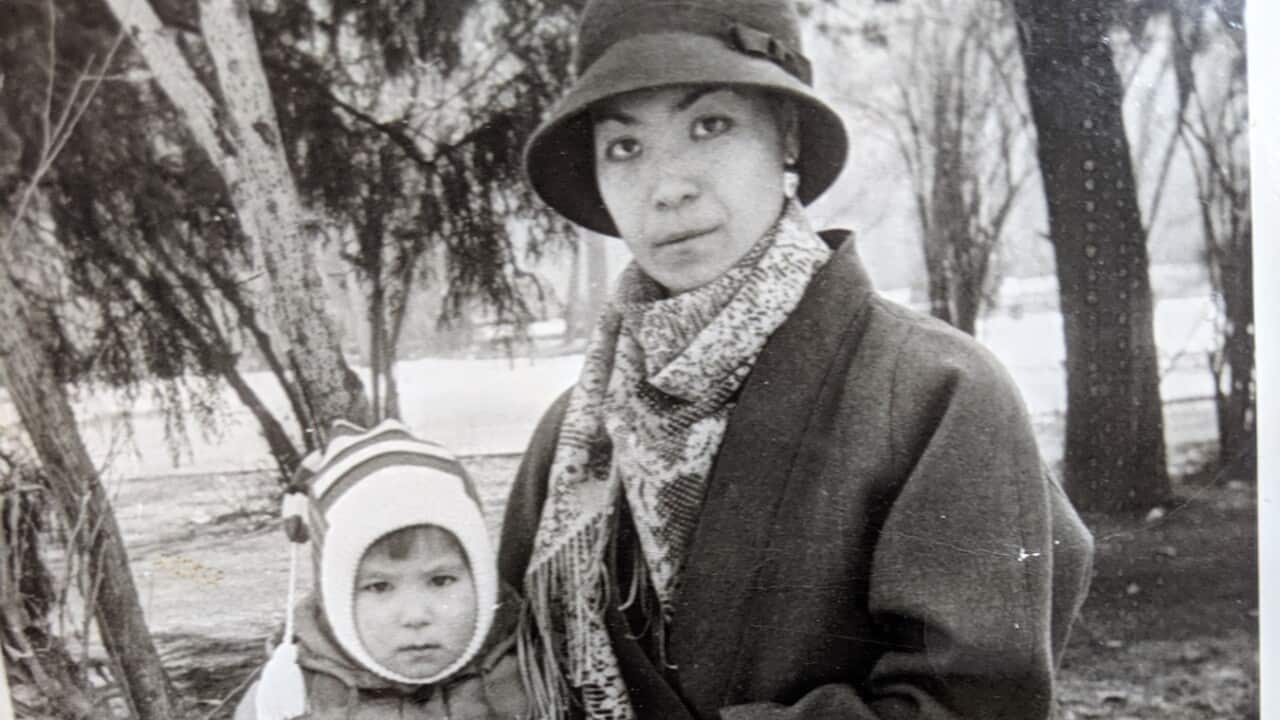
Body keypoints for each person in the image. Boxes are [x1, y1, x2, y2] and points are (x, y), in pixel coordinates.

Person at [498, 0, 1095, 718]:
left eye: (709, 126)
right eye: (625, 148)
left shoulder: (938, 393)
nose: (668, 185)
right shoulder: (570, 444)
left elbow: (972, 703)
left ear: (785, 137)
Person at [235, 420, 527, 720]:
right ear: (336, 598)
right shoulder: (290, 698)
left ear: (481, 580)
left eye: (441, 581)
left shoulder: (532, 674)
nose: (416, 616)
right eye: (379, 586)